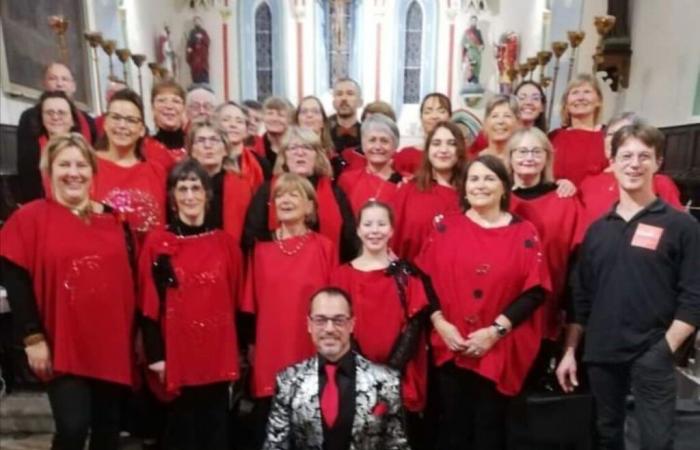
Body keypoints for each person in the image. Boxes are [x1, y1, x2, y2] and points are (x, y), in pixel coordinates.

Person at [556, 123, 700, 450]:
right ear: (613, 162)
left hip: (651, 352)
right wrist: (569, 351)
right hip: (602, 354)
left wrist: (664, 349)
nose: (634, 164)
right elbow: (581, 299)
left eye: (644, 156)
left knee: (656, 441)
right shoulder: (597, 231)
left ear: (658, 162)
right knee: (606, 436)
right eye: (626, 156)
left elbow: (694, 294)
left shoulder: (680, 225)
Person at [0, 133, 136, 450]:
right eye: (64, 164)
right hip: (61, 342)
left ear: (92, 170)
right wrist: (32, 337)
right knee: (73, 428)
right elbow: (16, 280)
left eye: (81, 164)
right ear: (49, 170)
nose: (73, 172)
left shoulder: (113, 219)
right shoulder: (30, 219)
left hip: (111, 343)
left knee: (108, 429)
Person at [416, 155, 550, 450]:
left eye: (489, 178)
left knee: (490, 430)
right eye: (474, 179)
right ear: (464, 188)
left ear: (504, 187)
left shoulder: (524, 232)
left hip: (498, 348)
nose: (480, 185)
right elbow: (424, 278)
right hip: (451, 344)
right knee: (452, 427)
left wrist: (495, 332)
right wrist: (439, 323)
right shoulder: (443, 228)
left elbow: (535, 291)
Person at [139, 159, 243, 450]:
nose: (189, 195)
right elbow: (148, 303)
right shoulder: (157, 243)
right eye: (181, 188)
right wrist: (156, 355)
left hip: (218, 353)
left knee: (216, 431)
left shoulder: (226, 244)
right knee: (182, 433)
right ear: (172, 196)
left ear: (207, 194)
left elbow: (237, 301)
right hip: (177, 354)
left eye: (195, 187)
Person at [242, 174, 338, 444]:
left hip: (312, 351)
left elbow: (335, 306)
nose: (285, 200)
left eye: (294, 194)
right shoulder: (260, 251)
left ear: (309, 207)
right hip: (270, 353)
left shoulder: (325, 248)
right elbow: (251, 306)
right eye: (280, 196)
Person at [263, 287, 410, 449]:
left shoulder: (386, 380)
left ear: (352, 324)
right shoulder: (288, 381)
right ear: (309, 325)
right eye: (320, 320)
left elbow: (397, 445)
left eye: (339, 320)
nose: (329, 329)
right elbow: (275, 445)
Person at [330, 201, 429, 436]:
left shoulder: (405, 275)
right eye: (368, 224)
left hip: (399, 375)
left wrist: (389, 372)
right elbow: (339, 326)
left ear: (392, 230)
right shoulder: (340, 275)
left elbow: (414, 324)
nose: (374, 230)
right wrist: (365, 373)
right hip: (354, 374)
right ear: (358, 229)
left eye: (381, 224)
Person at [242, 126, 357, 262]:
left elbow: (350, 241)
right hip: (277, 265)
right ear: (284, 156)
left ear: (318, 156)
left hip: (324, 267)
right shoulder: (267, 190)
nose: (300, 153)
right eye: (293, 148)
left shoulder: (335, 192)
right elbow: (252, 236)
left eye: (307, 148)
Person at [579, 112, 682, 228]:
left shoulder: (660, 183)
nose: (614, 139)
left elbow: (677, 228)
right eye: (611, 134)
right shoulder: (588, 183)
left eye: (622, 133)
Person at [92, 89, 167, 234]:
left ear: (141, 130)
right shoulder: (88, 166)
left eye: (131, 120)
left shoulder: (157, 171)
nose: (122, 125)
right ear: (105, 123)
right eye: (116, 117)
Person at [391, 121, 466, 263]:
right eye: (436, 143)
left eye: (451, 143)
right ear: (427, 150)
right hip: (412, 278)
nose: (443, 150)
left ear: (460, 150)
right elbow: (392, 240)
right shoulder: (408, 191)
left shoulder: (470, 194)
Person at [186, 119, 254, 243]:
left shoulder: (241, 187)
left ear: (225, 149)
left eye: (214, 140)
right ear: (191, 150)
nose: (208, 145)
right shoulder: (183, 186)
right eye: (201, 140)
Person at [15, 91, 82, 202]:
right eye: (49, 113)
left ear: (73, 120)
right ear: (41, 118)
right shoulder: (31, 150)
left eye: (61, 113)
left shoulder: (83, 150)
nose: (55, 117)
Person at [337, 114, 404, 215]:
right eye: (372, 140)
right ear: (363, 145)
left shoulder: (405, 183)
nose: (377, 146)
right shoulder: (347, 180)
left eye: (384, 141)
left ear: (395, 146)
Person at [549, 74, 608, 186]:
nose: (581, 98)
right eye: (575, 92)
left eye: (587, 92)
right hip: (558, 200)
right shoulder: (553, 137)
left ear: (598, 101)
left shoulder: (609, 137)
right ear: (566, 104)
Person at [468, 81, 548, 158]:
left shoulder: (543, 142)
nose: (528, 102)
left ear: (542, 106)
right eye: (522, 97)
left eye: (535, 98)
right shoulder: (490, 134)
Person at [214, 101, 271, 190]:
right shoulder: (208, 161)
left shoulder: (262, 164)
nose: (233, 125)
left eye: (239, 121)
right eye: (226, 120)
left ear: (246, 129)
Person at [394, 93, 453, 176]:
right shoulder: (406, 156)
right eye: (428, 112)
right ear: (421, 118)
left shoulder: (460, 154)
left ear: (450, 117)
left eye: (441, 111)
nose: (434, 116)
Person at [251, 96, 294, 170]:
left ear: (290, 120)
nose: (274, 119)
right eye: (270, 113)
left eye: (281, 115)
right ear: (263, 117)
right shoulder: (253, 147)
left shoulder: (298, 148)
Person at [150, 79, 188, 161]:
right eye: (161, 100)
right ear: (152, 108)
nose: (169, 106)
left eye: (176, 101)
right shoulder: (143, 148)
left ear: (184, 108)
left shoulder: (194, 145)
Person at [478, 94, 520, 164]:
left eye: (507, 116)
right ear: (485, 122)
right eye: (494, 116)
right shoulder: (475, 160)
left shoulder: (524, 161)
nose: (500, 121)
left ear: (518, 122)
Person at [330, 78, 363, 153]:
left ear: (360, 102)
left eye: (350, 93)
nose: (344, 98)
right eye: (339, 94)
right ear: (333, 103)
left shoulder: (368, 135)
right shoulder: (324, 136)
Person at [186, 16, 210, 84]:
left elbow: (207, 41)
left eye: (198, 21)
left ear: (201, 22)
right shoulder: (192, 32)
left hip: (202, 59)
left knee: (203, 76)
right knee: (195, 76)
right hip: (195, 58)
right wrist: (189, 50)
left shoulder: (204, 32)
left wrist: (201, 38)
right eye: (195, 21)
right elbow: (189, 43)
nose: (197, 23)